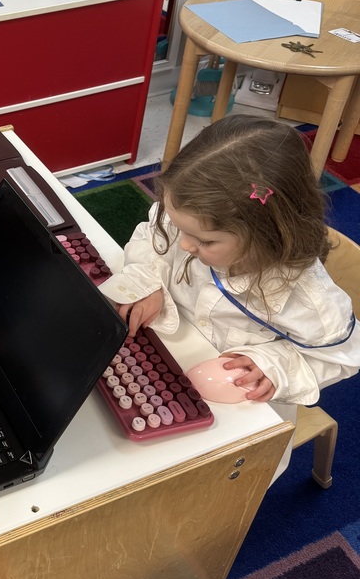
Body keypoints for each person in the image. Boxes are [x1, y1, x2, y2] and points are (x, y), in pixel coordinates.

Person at [102, 115, 360, 441]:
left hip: (241, 416)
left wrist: (272, 365)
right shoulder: (193, 224)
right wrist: (147, 278)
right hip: (168, 353)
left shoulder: (310, 300)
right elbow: (151, 236)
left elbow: (345, 357)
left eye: (205, 241)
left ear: (267, 234)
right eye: (180, 228)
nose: (183, 244)